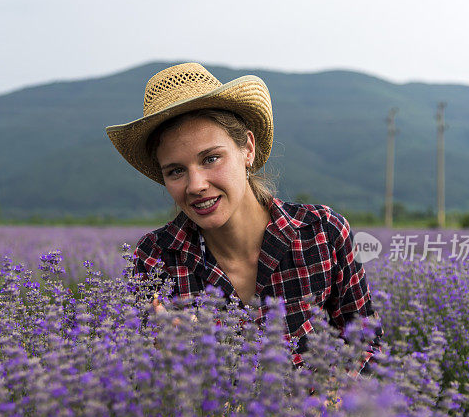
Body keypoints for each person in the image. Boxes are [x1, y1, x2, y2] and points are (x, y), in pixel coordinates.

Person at [106, 62, 381, 375]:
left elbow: (367, 349)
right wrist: (167, 357)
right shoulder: (155, 259)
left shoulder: (322, 233)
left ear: (247, 149)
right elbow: (137, 381)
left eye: (211, 158)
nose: (195, 185)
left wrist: (329, 404)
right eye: (176, 171)